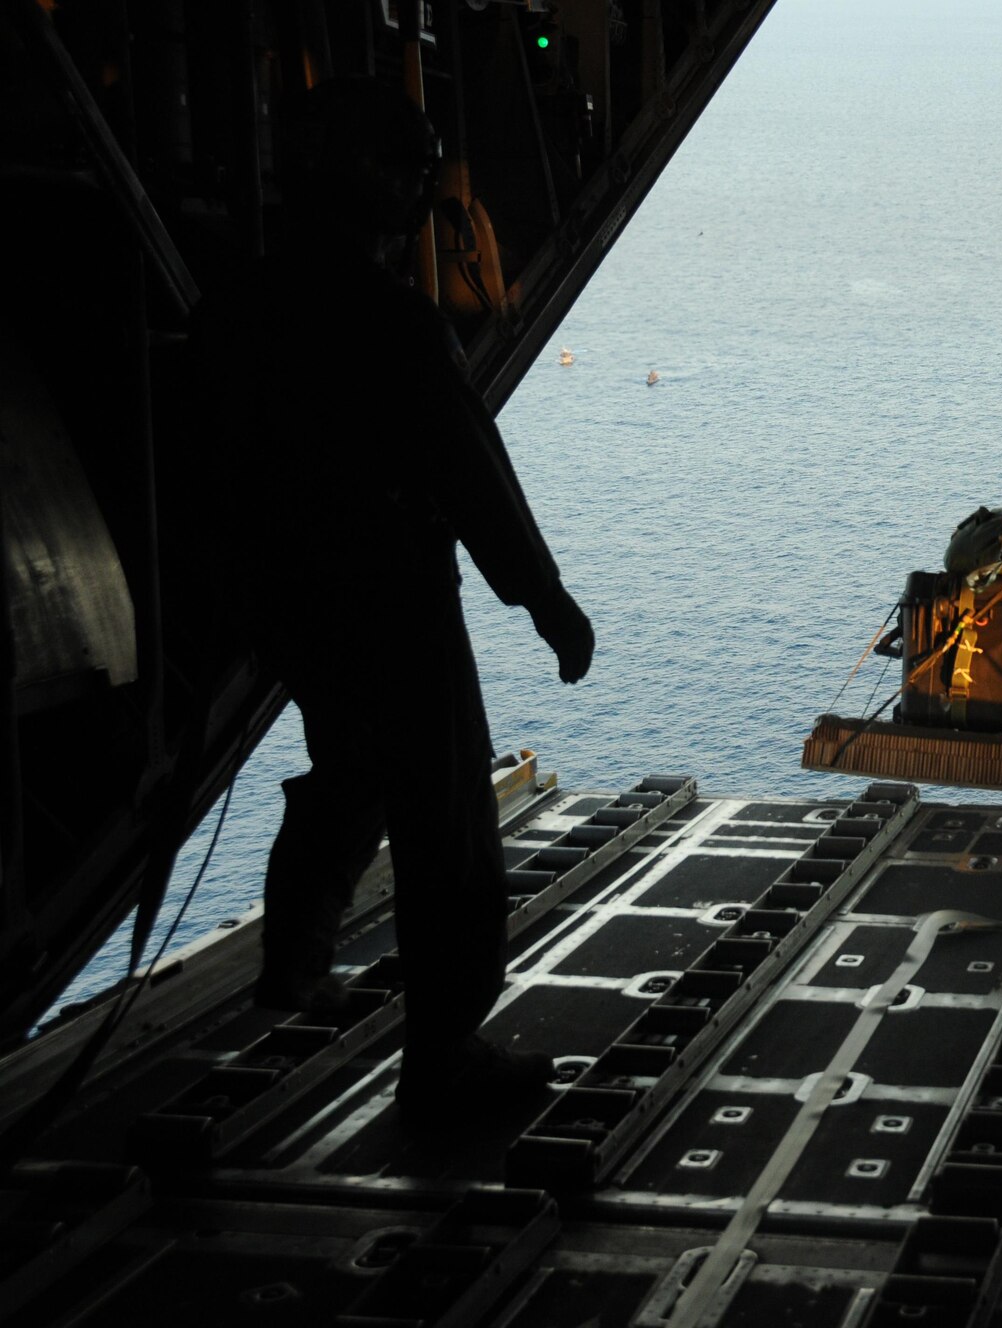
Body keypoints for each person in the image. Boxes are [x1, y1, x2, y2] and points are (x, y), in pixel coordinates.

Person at [183, 79, 594, 1123]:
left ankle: (295, 962)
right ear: (364, 179)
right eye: (405, 171)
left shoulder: (241, 303)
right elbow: (470, 475)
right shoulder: (388, 320)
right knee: (445, 818)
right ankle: (444, 1052)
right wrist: (546, 602)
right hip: (392, 594)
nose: (418, 193)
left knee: (348, 769)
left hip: (290, 597)